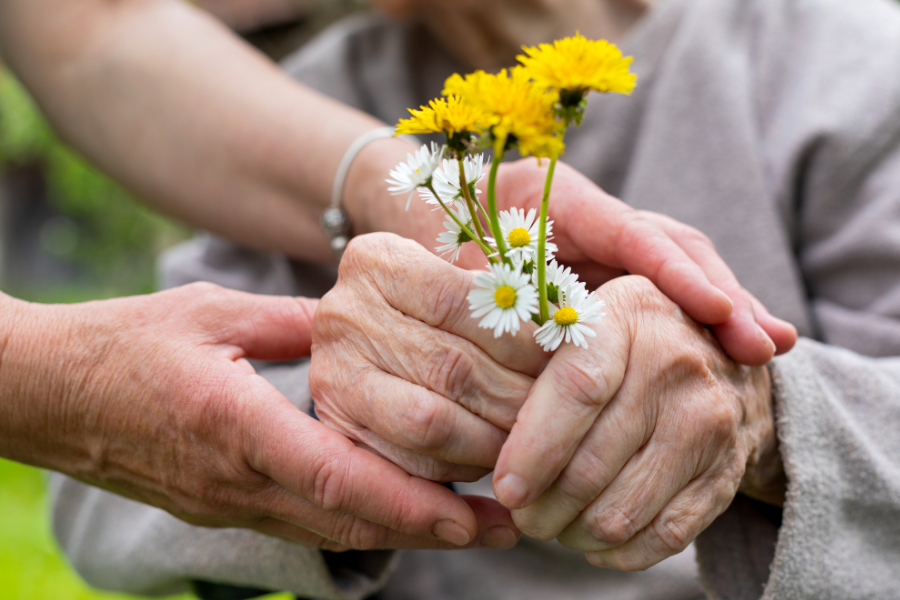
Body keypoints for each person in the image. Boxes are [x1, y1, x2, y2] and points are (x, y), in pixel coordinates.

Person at [50, 0, 900, 599]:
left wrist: (769, 420)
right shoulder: (299, 115)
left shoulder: (840, 66)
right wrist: (337, 419)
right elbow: (97, 501)